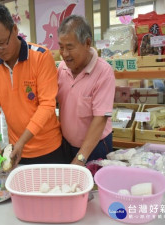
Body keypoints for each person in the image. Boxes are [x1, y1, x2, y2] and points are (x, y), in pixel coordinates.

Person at [0, 3, 66, 168]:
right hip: (17, 152)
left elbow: (47, 105)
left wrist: (22, 141)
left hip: (48, 149)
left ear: (15, 30)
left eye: (2, 42)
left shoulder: (41, 57)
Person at [57, 15, 115, 166]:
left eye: (69, 47)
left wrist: (80, 158)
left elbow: (100, 119)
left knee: (94, 187)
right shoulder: (62, 68)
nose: (64, 53)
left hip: (96, 146)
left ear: (87, 43)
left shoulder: (104, 72)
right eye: (61, 47)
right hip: (67, 144)